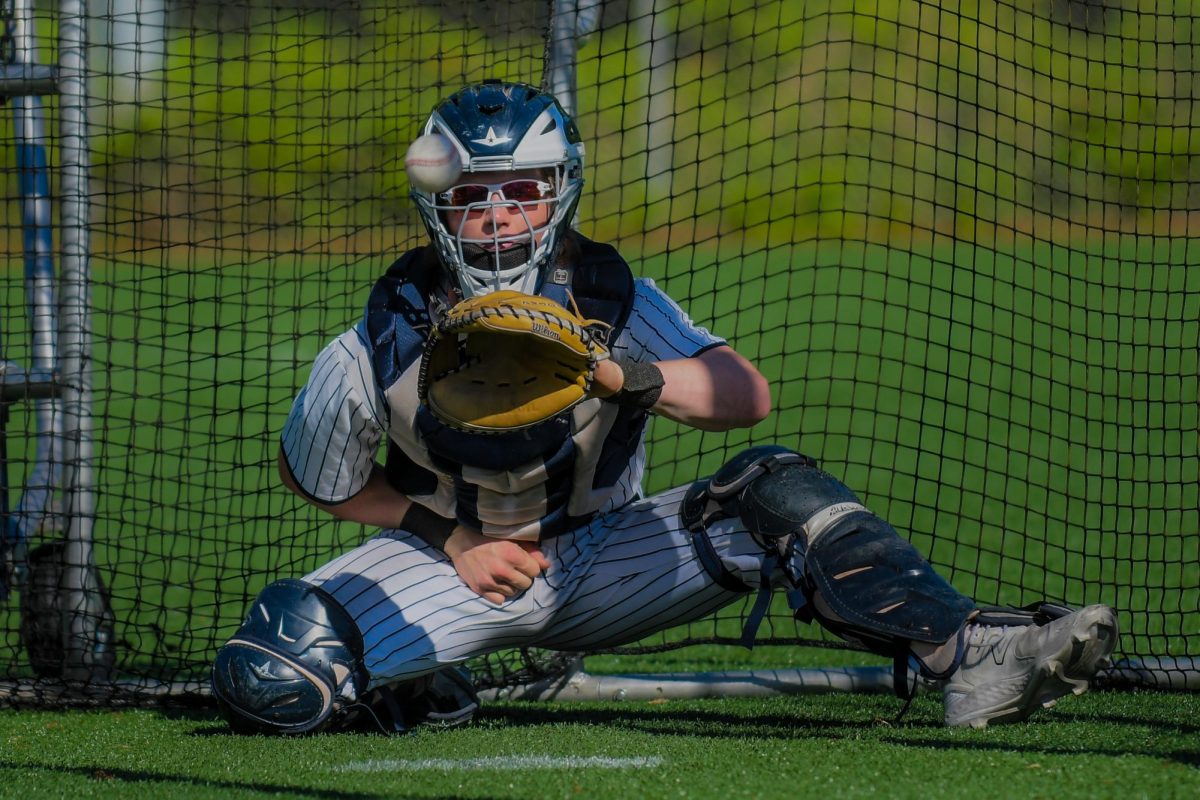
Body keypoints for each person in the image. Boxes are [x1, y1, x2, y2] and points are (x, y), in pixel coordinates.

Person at [211, 80, 1117, 734]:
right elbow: (319, 476)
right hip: (447, 568)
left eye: (520, 193)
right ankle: (418, 678)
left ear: (557, 194)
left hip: (609, 556)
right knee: (273, 672)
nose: (496, 218)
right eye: (471, 198)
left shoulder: (617, 301)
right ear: (437, 209)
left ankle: (971, 654)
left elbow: (744, 398)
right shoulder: (372, 342)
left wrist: (614, 375)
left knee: (775, 490)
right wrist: (452, 540)